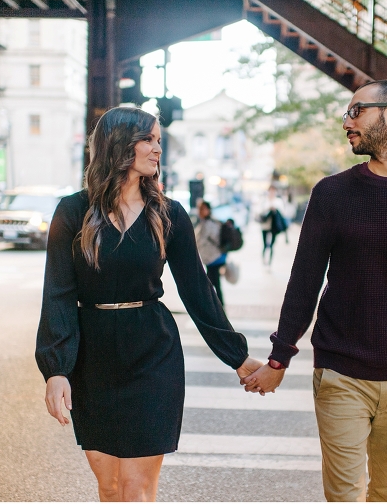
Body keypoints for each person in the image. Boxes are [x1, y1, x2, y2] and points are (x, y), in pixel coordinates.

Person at [242, 80, 387, 502]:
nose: (346, 122)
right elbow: (304, 281)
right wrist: (279, 355)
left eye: (356, 111)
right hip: (341, 373)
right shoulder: (332, 193)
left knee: (386, 496)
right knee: (345, 497)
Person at [35, 107, 263, 502]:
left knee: (136, 488)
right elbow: (57, 292)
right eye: (149, 139)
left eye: (159, 140)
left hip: (153, 355)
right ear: (120, 144)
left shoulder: (168, 213)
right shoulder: (73, 212)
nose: (158, 149)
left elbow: (198, 291)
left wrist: (238, 357)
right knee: (109, 487)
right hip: (94, 359)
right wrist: (56, 369)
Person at [194, 201, 226, 304]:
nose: (200, 211)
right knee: (212, 282)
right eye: (200, 209)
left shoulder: (208, 224)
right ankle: (216, 304)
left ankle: (216, 305)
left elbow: (199, 241)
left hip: (213, 257)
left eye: (203, 209)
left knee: (210, 283)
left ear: (208, 210)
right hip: (213, 257)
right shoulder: (211, 222)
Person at [259, 188, 287, 266]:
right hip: (265, 225)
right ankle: (264, 259)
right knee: (265, 244)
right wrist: (268, 208)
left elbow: (283, 213)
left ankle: (270, 262)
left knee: (272, 245)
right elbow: (259, 212)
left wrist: (276, 209)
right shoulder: (264, 201)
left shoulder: (278, 201)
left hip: (274, 226)